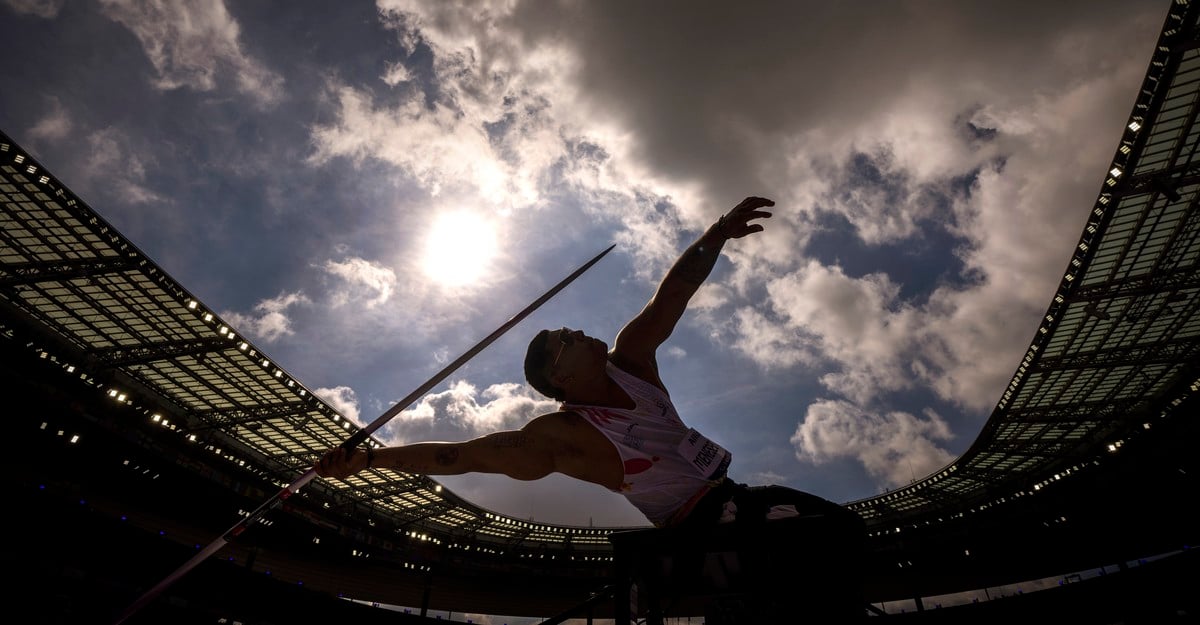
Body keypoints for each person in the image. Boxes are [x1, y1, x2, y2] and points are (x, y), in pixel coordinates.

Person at [316, 196, 863, 537]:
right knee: (830, 544)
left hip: (733, 497)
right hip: (698, 524)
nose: (575, 330)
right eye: (563, 341)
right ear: (561, 380)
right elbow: (460, 456)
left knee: (849, 531)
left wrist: (715, 234)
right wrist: (366, 458)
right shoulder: (561, 435)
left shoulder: (633, 361)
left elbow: (672, 296)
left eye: (567, 328)